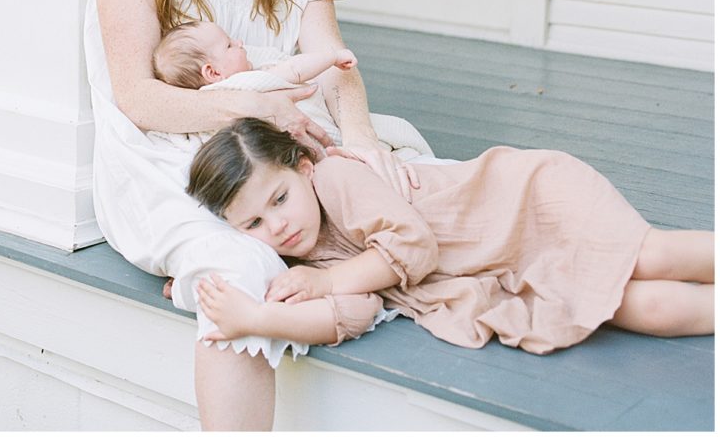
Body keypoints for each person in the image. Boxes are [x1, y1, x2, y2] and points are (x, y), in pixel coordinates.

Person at [82, 0, 422, 431]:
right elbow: (137, 97)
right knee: (238, 261)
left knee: (401, 189)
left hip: (280, 136)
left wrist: (359, 140)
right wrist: (251, 104)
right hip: (169, 150)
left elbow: (332, 62)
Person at [188, 119, 715, 354]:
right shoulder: (303, 257)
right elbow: (353, 313)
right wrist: (260, 315)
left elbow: (411, 244)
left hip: (523, 204)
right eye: (253, 224)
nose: (277, 225)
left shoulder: (333, 179)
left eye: (278, 200)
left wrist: (325, 283)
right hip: (508, 269)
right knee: (642, 309)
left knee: (652, 255)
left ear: (302, 167)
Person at [149, 20, 433, 160]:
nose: (239, 42)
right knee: (397, 129)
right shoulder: (248, 82)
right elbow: (295, 70)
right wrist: (332, 58)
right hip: (321, 133)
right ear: (213, 72)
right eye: (229, 45)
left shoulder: (204, 100)